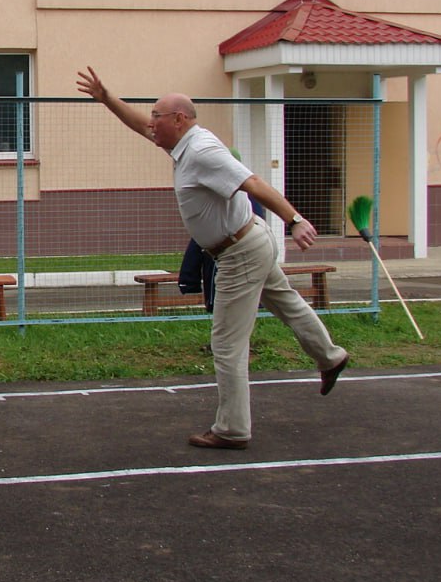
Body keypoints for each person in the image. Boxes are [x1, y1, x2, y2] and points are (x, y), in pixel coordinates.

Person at [76, 67, 348, 450]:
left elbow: (252, 183)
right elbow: (140, 126)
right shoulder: (181, 143)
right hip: (249, 240)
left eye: (158, 115)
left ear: (179, 119)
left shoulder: (203, 152)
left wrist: (295, 219)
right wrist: (107, 98)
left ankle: (232, 429)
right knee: (288, 303)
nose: (151, 121)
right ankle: (331, 357)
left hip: (240, 251)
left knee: (226, 344)